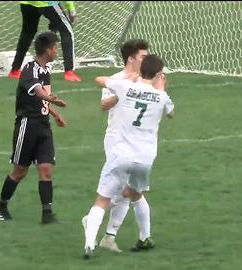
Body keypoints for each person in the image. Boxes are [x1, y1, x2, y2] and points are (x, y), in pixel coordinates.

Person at [82, 55, 174, 259]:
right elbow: (170, 113)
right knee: (136, 195)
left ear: (141, 71)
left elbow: (99, 79)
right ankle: (145, 237)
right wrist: (161, 89)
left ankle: (90, 243)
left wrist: (127, 81)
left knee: (102, 199)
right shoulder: (161, 96)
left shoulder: (126, 87)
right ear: (159, 75)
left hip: (121, 154)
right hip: (144, 159)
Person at [0, 32, 68, 224]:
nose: (56, 51)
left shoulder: (45, 71)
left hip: (44, 125)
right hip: (28, 125)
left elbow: (40, 98)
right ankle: (1, 206)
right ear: (48, 49)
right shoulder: (30, 70)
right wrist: (53, 100)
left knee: (45, 169)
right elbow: (38, 92)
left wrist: (54, 113)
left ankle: (47, 213)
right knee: (20, 171)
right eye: (55, 47)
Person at [95, 39, 150, 253]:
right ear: (131, 58)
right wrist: (123, 91)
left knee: (131, 191)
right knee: (126, 190)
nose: (147, 59)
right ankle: (108, 233)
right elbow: (103, 105)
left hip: (139, 142)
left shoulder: (148, 80)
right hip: (117, 141)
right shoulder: (116, 79)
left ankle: (139, 236)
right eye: (143, 56)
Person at [8, 1, 81, 82]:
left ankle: (15, 70)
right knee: (67, 31)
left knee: (27, 32)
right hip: (48, 3)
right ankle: (69, 71)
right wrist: (71, 10)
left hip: (27, 3)